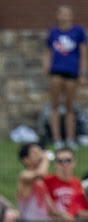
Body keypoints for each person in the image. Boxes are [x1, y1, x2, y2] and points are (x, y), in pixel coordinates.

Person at [44, 5, 87, 150]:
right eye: (61, 13)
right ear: (57, 15)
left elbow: (83, 53)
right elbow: (48, 50)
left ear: (71, 16)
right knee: (55, 105)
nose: (64, 16)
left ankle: (70, 138)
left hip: (72, 72)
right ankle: (56, 138)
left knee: (70, 106)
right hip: (56, 71)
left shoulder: (79, 31)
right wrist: (46, 65)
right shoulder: (52, 32)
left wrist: (82, 72)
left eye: (67, 13)